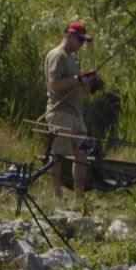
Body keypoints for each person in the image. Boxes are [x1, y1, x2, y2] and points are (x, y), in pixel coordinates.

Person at [43, 20, 97, 203]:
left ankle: (78, 196)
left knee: (82, 153)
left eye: (84, 41)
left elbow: (75, 80)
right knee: (58, 153)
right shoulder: (57, 55)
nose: (81, 45)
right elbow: (55, 83)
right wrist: (77, 80)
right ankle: (57, 195)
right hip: (60, 111)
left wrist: (86, 79)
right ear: (69, 35)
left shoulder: (73, 58)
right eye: (80, 40)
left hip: (76, 114)